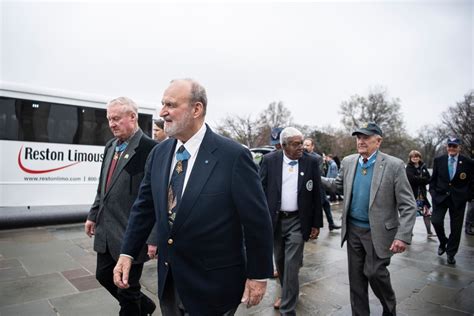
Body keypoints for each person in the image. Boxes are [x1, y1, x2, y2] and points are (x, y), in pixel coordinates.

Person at [113, 79, 274, 315]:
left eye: (170, 104)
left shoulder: (233, 156)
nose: (163, 112)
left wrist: (258, 275)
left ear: (196, 109)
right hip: (169, 282)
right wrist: (127, 253)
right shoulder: (159, 153)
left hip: (214, 287)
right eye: (162, 104)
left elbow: (257, 221)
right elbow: (144, 208)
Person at [321, 122, 417, 316]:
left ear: (378, 141)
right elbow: (337, 187)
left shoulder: (394, 165)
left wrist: (403, 236)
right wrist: (316, 177)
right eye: (358, 137)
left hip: (379, 232)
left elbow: (408, 205)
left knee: (375, 273)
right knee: (356, 280)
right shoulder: (349, 162)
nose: (361, 141)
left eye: (365, 137)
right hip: (353, 230)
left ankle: (389, 309)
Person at [84, 97, 157, 315]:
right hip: (107, 230)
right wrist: (93, 214)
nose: (111, 124)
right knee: (104, 275)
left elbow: (157, 198)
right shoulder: (110, 146)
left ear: (132, 117)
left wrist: (154, 237)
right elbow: (102, 186)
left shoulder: (151, 149)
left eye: (116, 118)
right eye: (109, 119)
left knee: (127, 290)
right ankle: (145, 306)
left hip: (132, 234)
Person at [260, 127, 323, 315]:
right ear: (284, 145)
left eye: (302, 143)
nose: (301, 148)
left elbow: (317, 194)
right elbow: (260, 190)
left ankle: (288, 308)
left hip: (298, 220)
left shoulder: (311, 162)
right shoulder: (269, 161)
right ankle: (288, 292)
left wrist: (316, 223)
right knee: (280, 262)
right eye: (296, 144)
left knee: (292, 263)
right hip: (276, 220)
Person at [429, 137, 474, 264]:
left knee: (456, 228)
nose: (452, 148)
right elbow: (434, 179)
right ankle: (443, 241)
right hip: (440, 198)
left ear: (459, 147)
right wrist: (432, 192)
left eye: (454, 146)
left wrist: (468, 195)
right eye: (450, 146)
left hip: (458, 200)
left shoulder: (468, 162)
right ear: (447, 147)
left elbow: (472, 181)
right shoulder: (439, 160)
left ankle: (451, 253)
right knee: (436, 221)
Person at [303, 138, 341, 231]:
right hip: (306, 188)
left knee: (325, 204)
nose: (305, 147)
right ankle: (310, 226)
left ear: (312, 147)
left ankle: (330, 224)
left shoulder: (317, 158)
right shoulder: (300, 156)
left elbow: (318, 173)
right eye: (304, 145)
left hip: (318, 187)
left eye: (307, 145)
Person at [406, 150, 435, 237]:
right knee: (411, 215)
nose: (415, 158)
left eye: (417, 156)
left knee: (426, 213)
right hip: (412, 195)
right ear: (410, 158)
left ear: (420, 157)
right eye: (413, 157)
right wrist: (422, 179)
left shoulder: (423, 166)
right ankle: (408, 233)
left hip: (422, 195)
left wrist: (420, 179)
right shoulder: (408, 168)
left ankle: (429, 232)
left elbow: (429, 179)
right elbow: (411, 180)